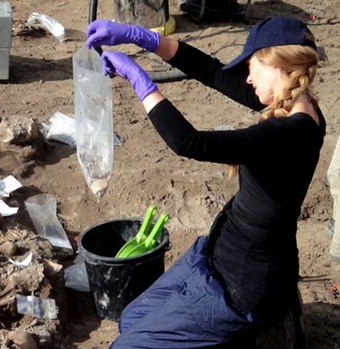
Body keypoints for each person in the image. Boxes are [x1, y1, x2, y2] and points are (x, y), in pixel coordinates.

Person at [85, 15, 324, 348]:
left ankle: (254, 334)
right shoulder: (293, 102)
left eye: (252, 64)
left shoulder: (289, 131)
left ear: (278, 65)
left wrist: (139, 80)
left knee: (126, 346)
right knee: (131, 319)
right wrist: (143, 39)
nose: (248, 77)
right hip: (219, 254)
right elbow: (212, 72)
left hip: (243, 286)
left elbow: (191, 143)